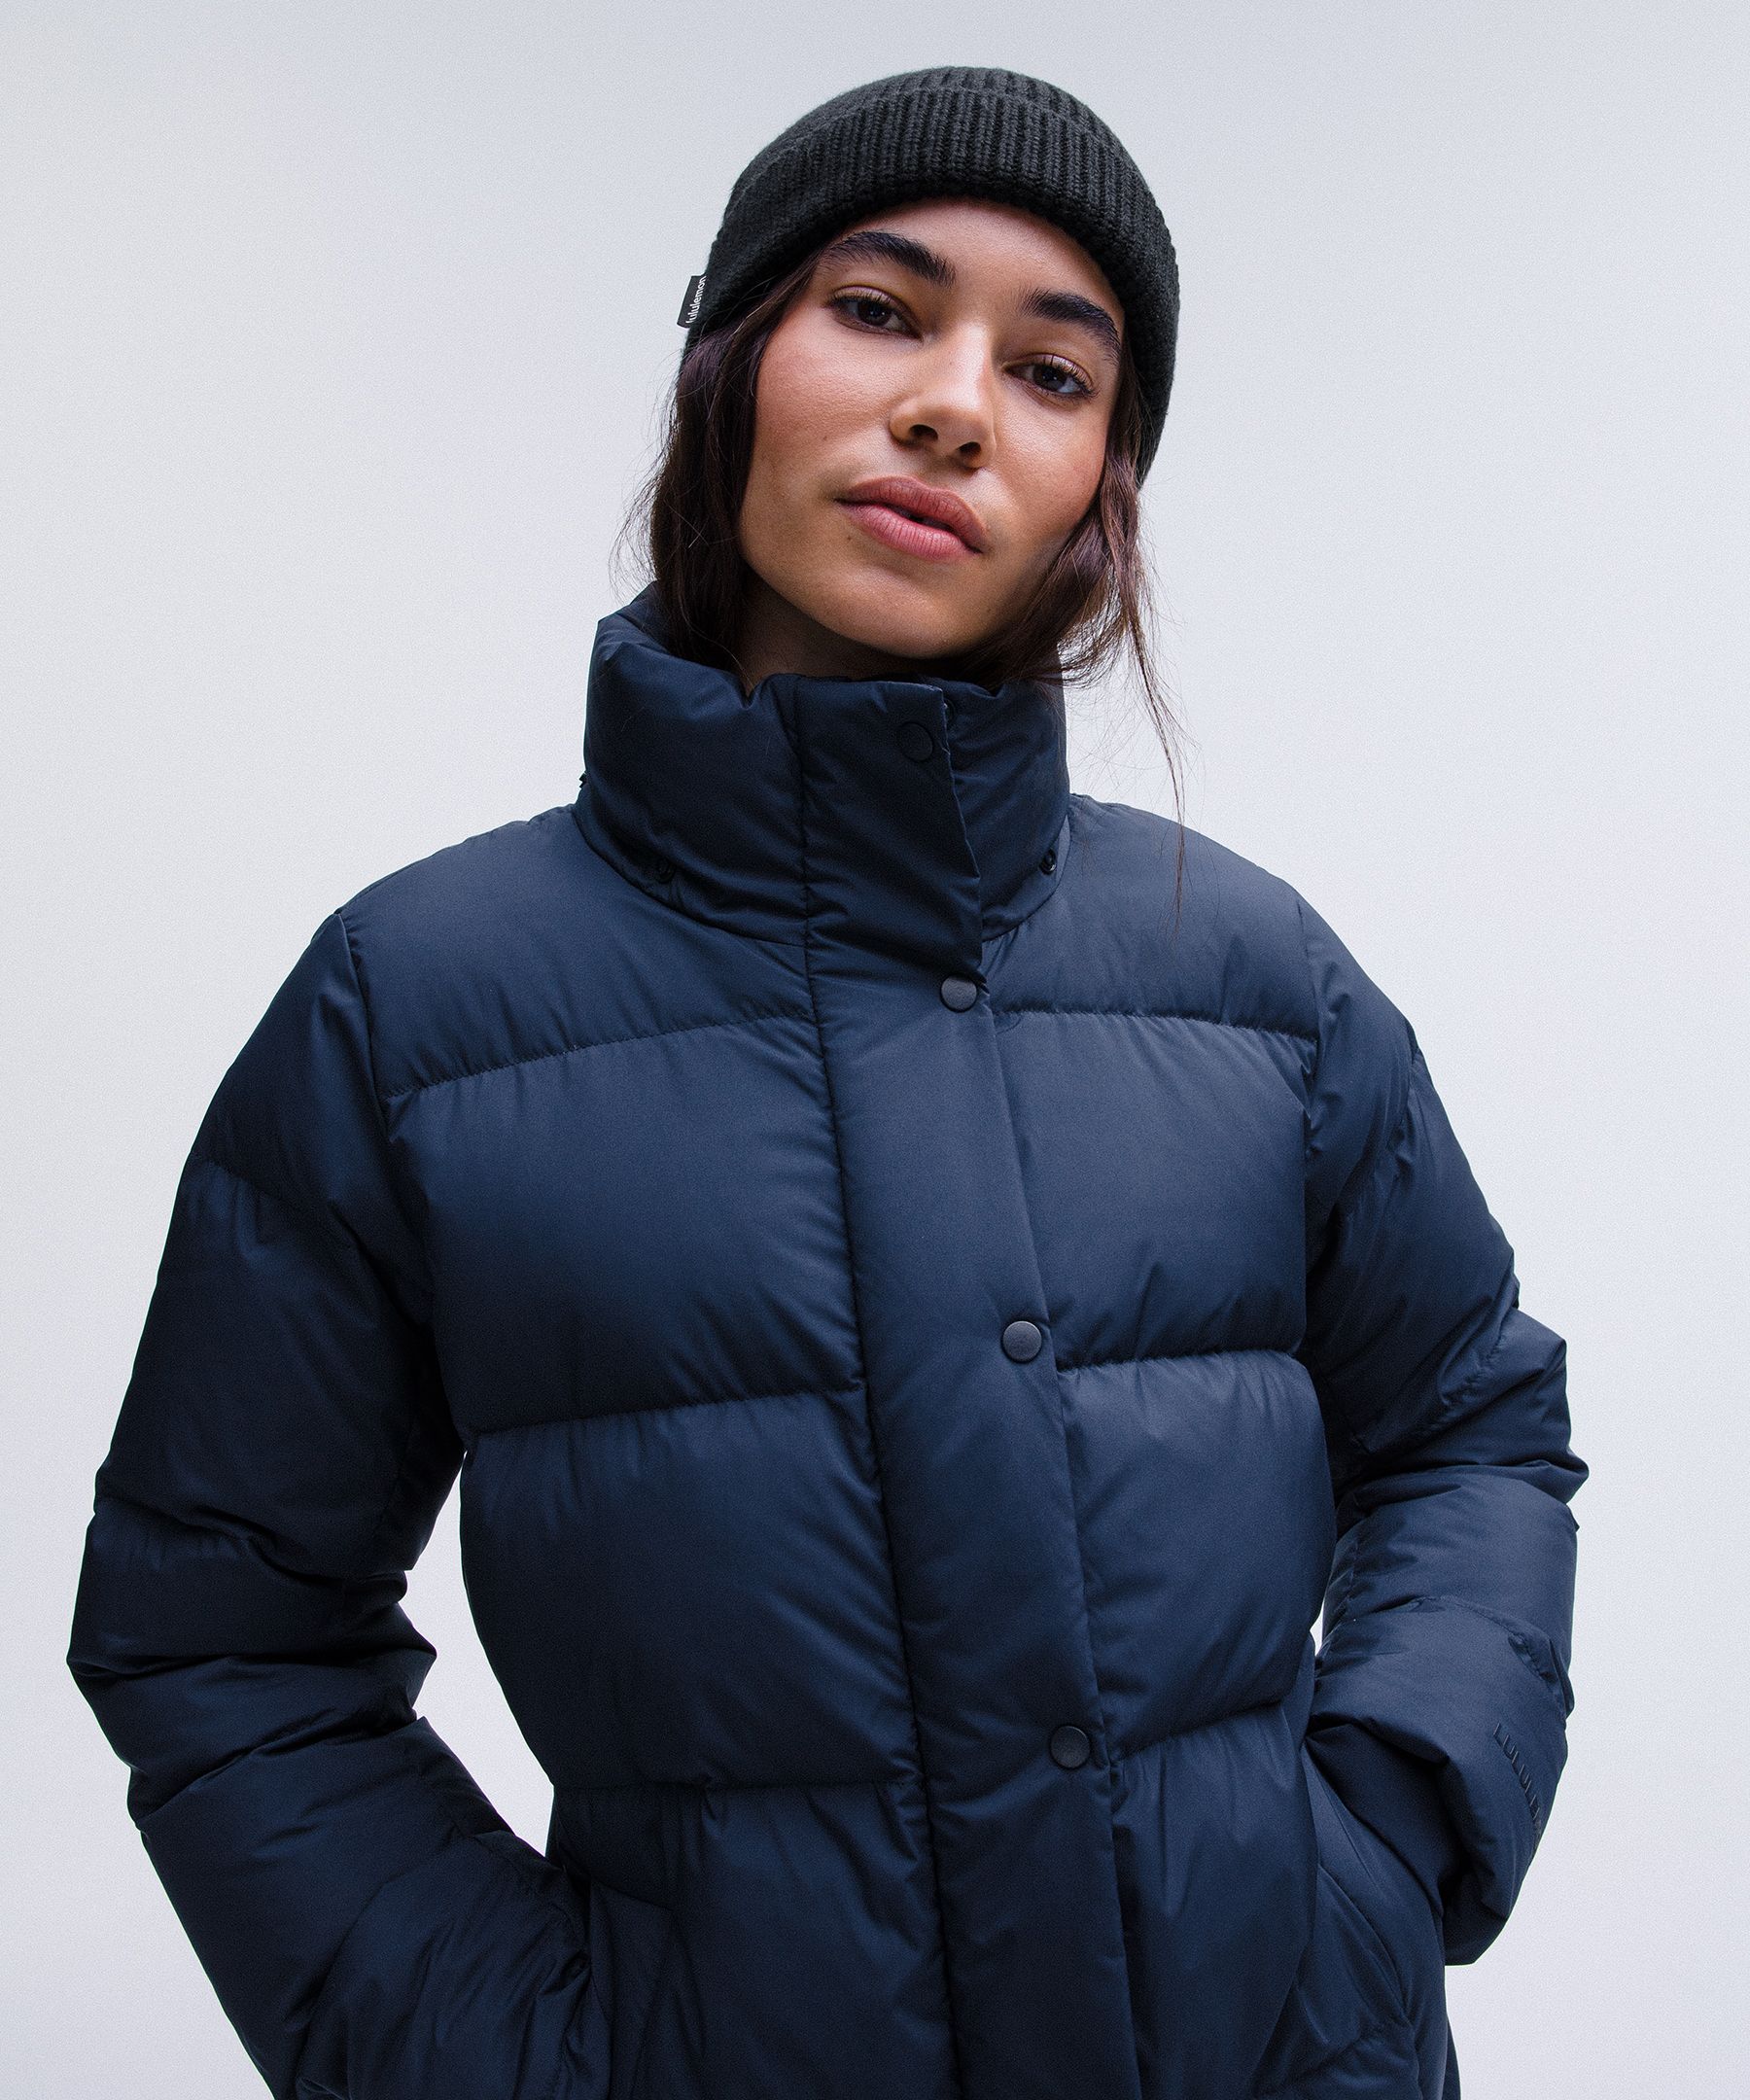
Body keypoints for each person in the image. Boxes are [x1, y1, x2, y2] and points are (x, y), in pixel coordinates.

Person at [68, 65, 1585, 2100]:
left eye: (1053, 372)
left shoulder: (1255, 982)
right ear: (729, 364)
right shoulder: (413, 1010)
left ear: (1098, 486)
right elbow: (217, 1626)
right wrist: (519, 2060)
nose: (956, 407)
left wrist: (1383, 1850)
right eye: (879, 310)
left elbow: (1471, 1425)